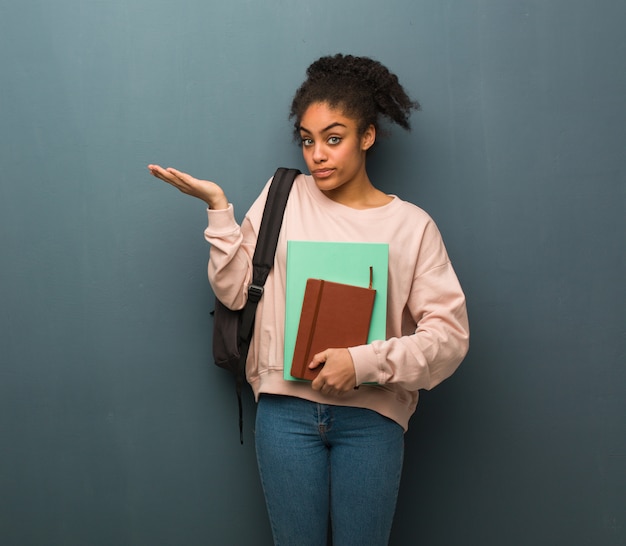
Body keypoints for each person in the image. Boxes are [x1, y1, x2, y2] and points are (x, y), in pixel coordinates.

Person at [149, 53, 469, 546]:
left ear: (367, 136)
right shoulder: (282, 196)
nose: (317, 154)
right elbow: (235, 290)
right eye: (308, 140)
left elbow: (448, 339)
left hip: (371, 418)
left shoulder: (411, 226)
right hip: (284, 416)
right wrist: (218, 210)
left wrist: (361, 362)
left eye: (333, 138)